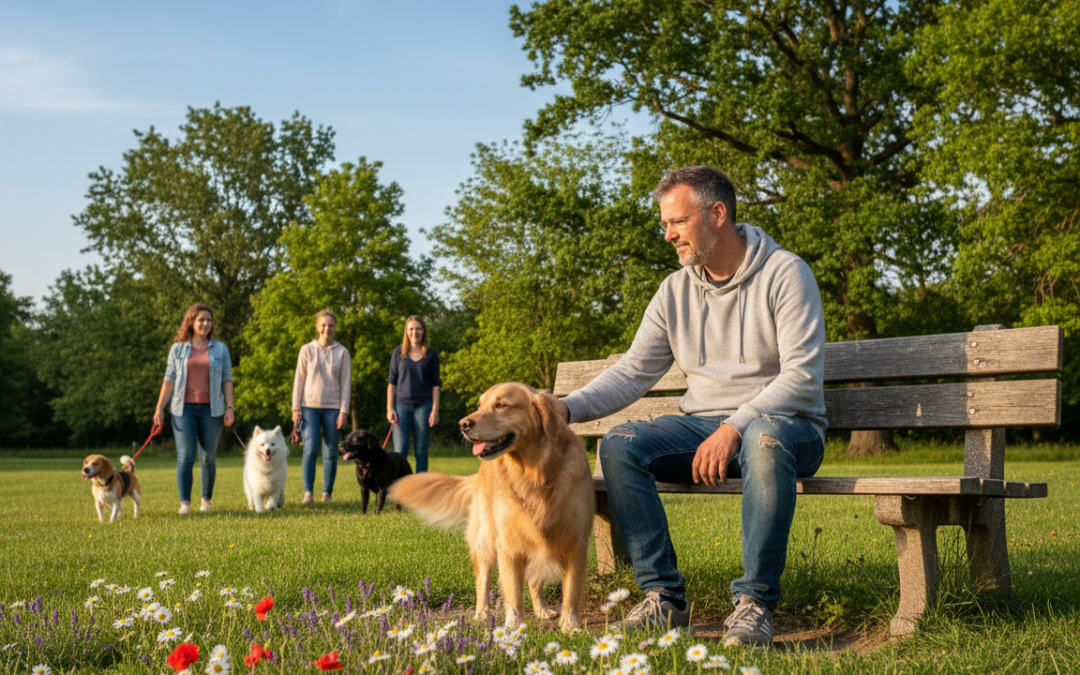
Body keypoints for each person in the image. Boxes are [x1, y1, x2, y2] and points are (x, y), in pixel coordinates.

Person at [554, 166, 827, 646]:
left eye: (677, 222)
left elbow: (801, 377)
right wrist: (567, 409)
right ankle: (664, 598)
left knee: (762, 439)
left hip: (787, 428)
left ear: (717, 214)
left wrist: (736, 426)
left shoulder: (786, 273)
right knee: (620, 445)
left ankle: (754, 603)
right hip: (702, 426)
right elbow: (634, 370)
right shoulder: (674, 291)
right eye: (665, 224)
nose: (668, 235)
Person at [153, 303, 236, 515]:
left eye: (209, 320)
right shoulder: (178, 348)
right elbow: (169, 380)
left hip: (212, 410)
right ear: (191, 321)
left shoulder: (220, 348)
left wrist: (230, 407)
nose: (206, 323)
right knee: (185, 457)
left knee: (208, 458)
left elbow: (227, 379)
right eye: (201, 319)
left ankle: (206, 501)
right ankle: (185, 504)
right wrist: (160, 408)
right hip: (183, 410)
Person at [292, 310, 352, 504]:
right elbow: (298, 381)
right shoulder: (306, 350)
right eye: (323, 325)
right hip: (309, 407)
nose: (327, 328)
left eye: (331, 325)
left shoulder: (342, 352)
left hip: (333, 408)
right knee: (310, 450)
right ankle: (308, 493)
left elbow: (346, 383)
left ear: (335, 328)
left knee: (330, 452)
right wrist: (295, 408)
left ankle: (327, 493)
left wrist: (344, 411)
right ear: (317, 327)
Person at [386, 315, 441, 473]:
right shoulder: (398, 353)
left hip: (423, 406)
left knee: (421, 452)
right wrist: (390, 408)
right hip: (401, 406)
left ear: (423, 331)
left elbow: (436, 384)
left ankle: (420, 490)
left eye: (418, 328)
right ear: (406, 331)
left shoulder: (431, 354)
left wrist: (435, 410)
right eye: (411, 329)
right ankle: (399, 489)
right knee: (400, 452)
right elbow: (392, 382)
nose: (414, 332)